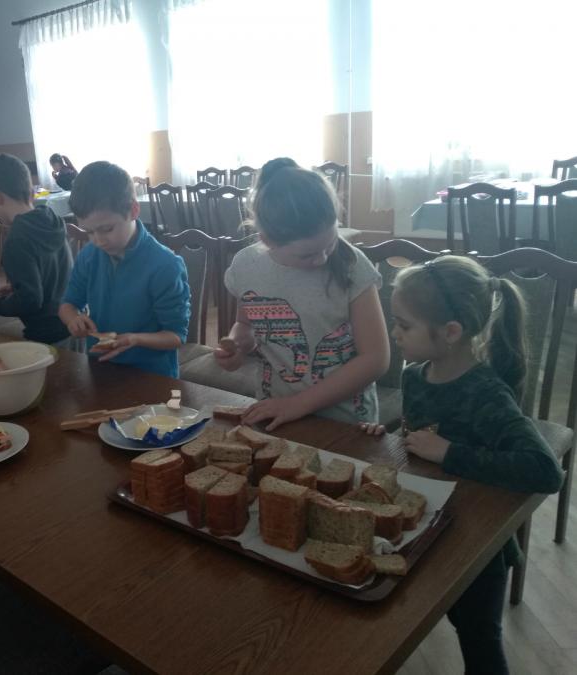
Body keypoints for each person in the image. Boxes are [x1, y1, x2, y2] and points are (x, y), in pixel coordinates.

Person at [361, 255, 563, 674]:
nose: (395, 333)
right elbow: (423, 429)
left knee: (478, 640)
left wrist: (449, 452)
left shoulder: (487, 394)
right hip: (429, 528)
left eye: (404, 325)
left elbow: (545, 470)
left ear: (451, 332)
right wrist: (391, 432)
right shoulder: (415, 375)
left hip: (477, 549)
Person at [215, 157, 389, 430]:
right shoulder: (246, 265)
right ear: (267, 240)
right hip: (276, 411)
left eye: (330, 244)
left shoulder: (353, 264)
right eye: (307, 255)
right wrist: (238, 346)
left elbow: (376, 359)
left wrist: (298, 404)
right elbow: (245, 324)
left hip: (346, 422)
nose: (322, 259)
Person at [59, 160, 190, 378]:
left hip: (152, 376)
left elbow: (176, 336)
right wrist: (73, 319)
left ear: (133, 210)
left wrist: (135, 339)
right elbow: (68, 304)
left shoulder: (165, 265)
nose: (98, 240)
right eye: (89, 232)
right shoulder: (89, 256)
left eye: (107, 229)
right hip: (100, 368)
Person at [0, 153, 72, 345]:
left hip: (45, 335)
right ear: (31, 192)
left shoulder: (17, 239)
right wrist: (18, 287)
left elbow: (31, 300)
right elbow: (50, 272)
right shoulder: (52, 219)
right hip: (72, 323)